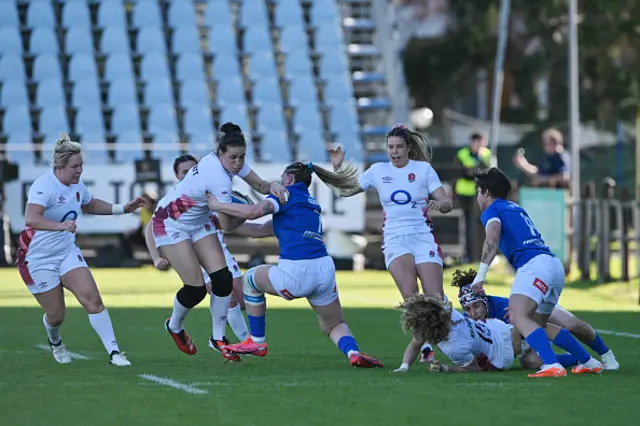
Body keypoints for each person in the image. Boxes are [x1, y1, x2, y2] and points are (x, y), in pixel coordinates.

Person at [206, 161, 384, 368]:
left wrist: (217, 206)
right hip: (324, 269)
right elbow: (257, 230)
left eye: (281, 179)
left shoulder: (285, 195)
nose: (279, 183)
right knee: (334, 324)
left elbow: (254, 212)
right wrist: (220, 225)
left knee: (251, 279)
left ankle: (257, 342)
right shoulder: (309, 203)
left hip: (298, 270)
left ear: (289, 178)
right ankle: (353, 353)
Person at [151, 123, 288, 360]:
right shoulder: (218, 179)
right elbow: (229, 221)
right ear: (220, 154)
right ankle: (174, 326)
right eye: (233, 157)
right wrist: (262, 207)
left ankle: (217, 338)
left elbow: (259, 185)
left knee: (222, 279)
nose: (238, 163)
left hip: (198, 222)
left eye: (242, 157)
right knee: (195, 290)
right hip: (170, 222)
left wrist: (272, 185)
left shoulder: (223, 162)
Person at [16, 133, 144, 366]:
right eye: (75, 166)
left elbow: (90, 204)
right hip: (37, 257)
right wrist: (60, 226)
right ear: (60, 166)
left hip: (65, 252)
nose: (80, 170)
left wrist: (122, 208)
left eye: (81, 164)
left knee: (92, 299)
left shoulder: (76, 185)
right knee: (56, 315)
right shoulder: (44, 186)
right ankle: (55, 342)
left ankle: (115, 352)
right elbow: (31, 218)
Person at [329, 123, 452, 362]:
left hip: (422, 236)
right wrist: (338, 167)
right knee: (412, 300)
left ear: (408, 148)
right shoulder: (378, 170)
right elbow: (347, 191)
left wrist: (441, 205)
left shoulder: (424, 169)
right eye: (390, 147)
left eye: (398, 147)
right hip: (395, 239)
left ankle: (459, 343)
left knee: (437, 300)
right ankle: (426, 348)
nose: (394, 152)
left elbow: (446, 203)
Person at [470, 167, 603, 377]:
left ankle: (553, 365)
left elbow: (492, 237)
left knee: (516, 315)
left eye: (478, 191)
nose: (477, 197)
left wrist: (480, 277)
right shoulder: (515, 208)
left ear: (486, 192)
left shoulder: (491, 210)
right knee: (538, 324)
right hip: (552, 264)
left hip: (533, 265)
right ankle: (588, 361)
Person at [451, 268, 619, 370]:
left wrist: (513, 339)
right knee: (531, 362)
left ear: (485, 301)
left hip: (535, 309)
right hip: (523, 331)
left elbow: (535, 324)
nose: (473, 313)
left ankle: (605, 353)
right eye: (467, 309)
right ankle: (581, 360)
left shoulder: (505, 307)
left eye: (476, 306)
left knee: (570, 324)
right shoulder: (469, 322)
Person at [454, 132, 491, 262]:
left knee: (481, 225)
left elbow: (489, 172)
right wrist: (477, 170)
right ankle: (468, 255)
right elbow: (463, 173)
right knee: (468, 226)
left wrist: (474, 169)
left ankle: (481, 254)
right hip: (465, 194)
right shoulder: (462, 154)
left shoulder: (487, 154)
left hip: (481, 195)